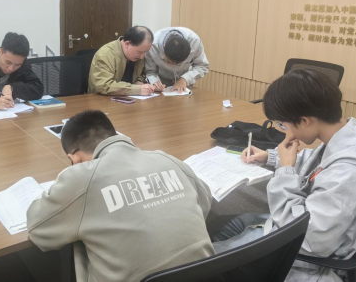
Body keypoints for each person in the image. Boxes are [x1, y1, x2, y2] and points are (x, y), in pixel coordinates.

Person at [212, 69, 356, 282]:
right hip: (317, 226)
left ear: (305, 121)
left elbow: (308, 239)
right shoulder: (355, 138)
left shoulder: (349, 174)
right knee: (223, 225)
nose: (285, 130)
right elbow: (320, 164)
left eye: (283, 124)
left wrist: (285, 171)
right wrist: (271, 157)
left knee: (202, 258)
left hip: (306, 257)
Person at [27, 110, 215, 282]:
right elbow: (205, 201)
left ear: (74, 157)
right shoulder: (168, 159)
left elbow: (38, 229)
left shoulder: (82, 178)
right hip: (205, 275)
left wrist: (67, 179)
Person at [88, 26, 155, 96]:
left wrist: (139, 82)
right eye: (140, 52)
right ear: (127, 44)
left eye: (145, 52)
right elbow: (104, 86)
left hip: (129, 98)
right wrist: (137, 89)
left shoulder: (137, 56)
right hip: (101, 99)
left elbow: (141, 74)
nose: (142, 56)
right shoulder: (105, 55)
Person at [145, 27, 209, 93]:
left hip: (183, 86)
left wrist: (185, 79)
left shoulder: (195, 42)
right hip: (162, 87)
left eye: (178, 63)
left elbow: (202, 66)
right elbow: (150, 71)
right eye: (168, 61)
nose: (171, 65)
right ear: (164, 46)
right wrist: (154, 82)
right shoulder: (152, 46)